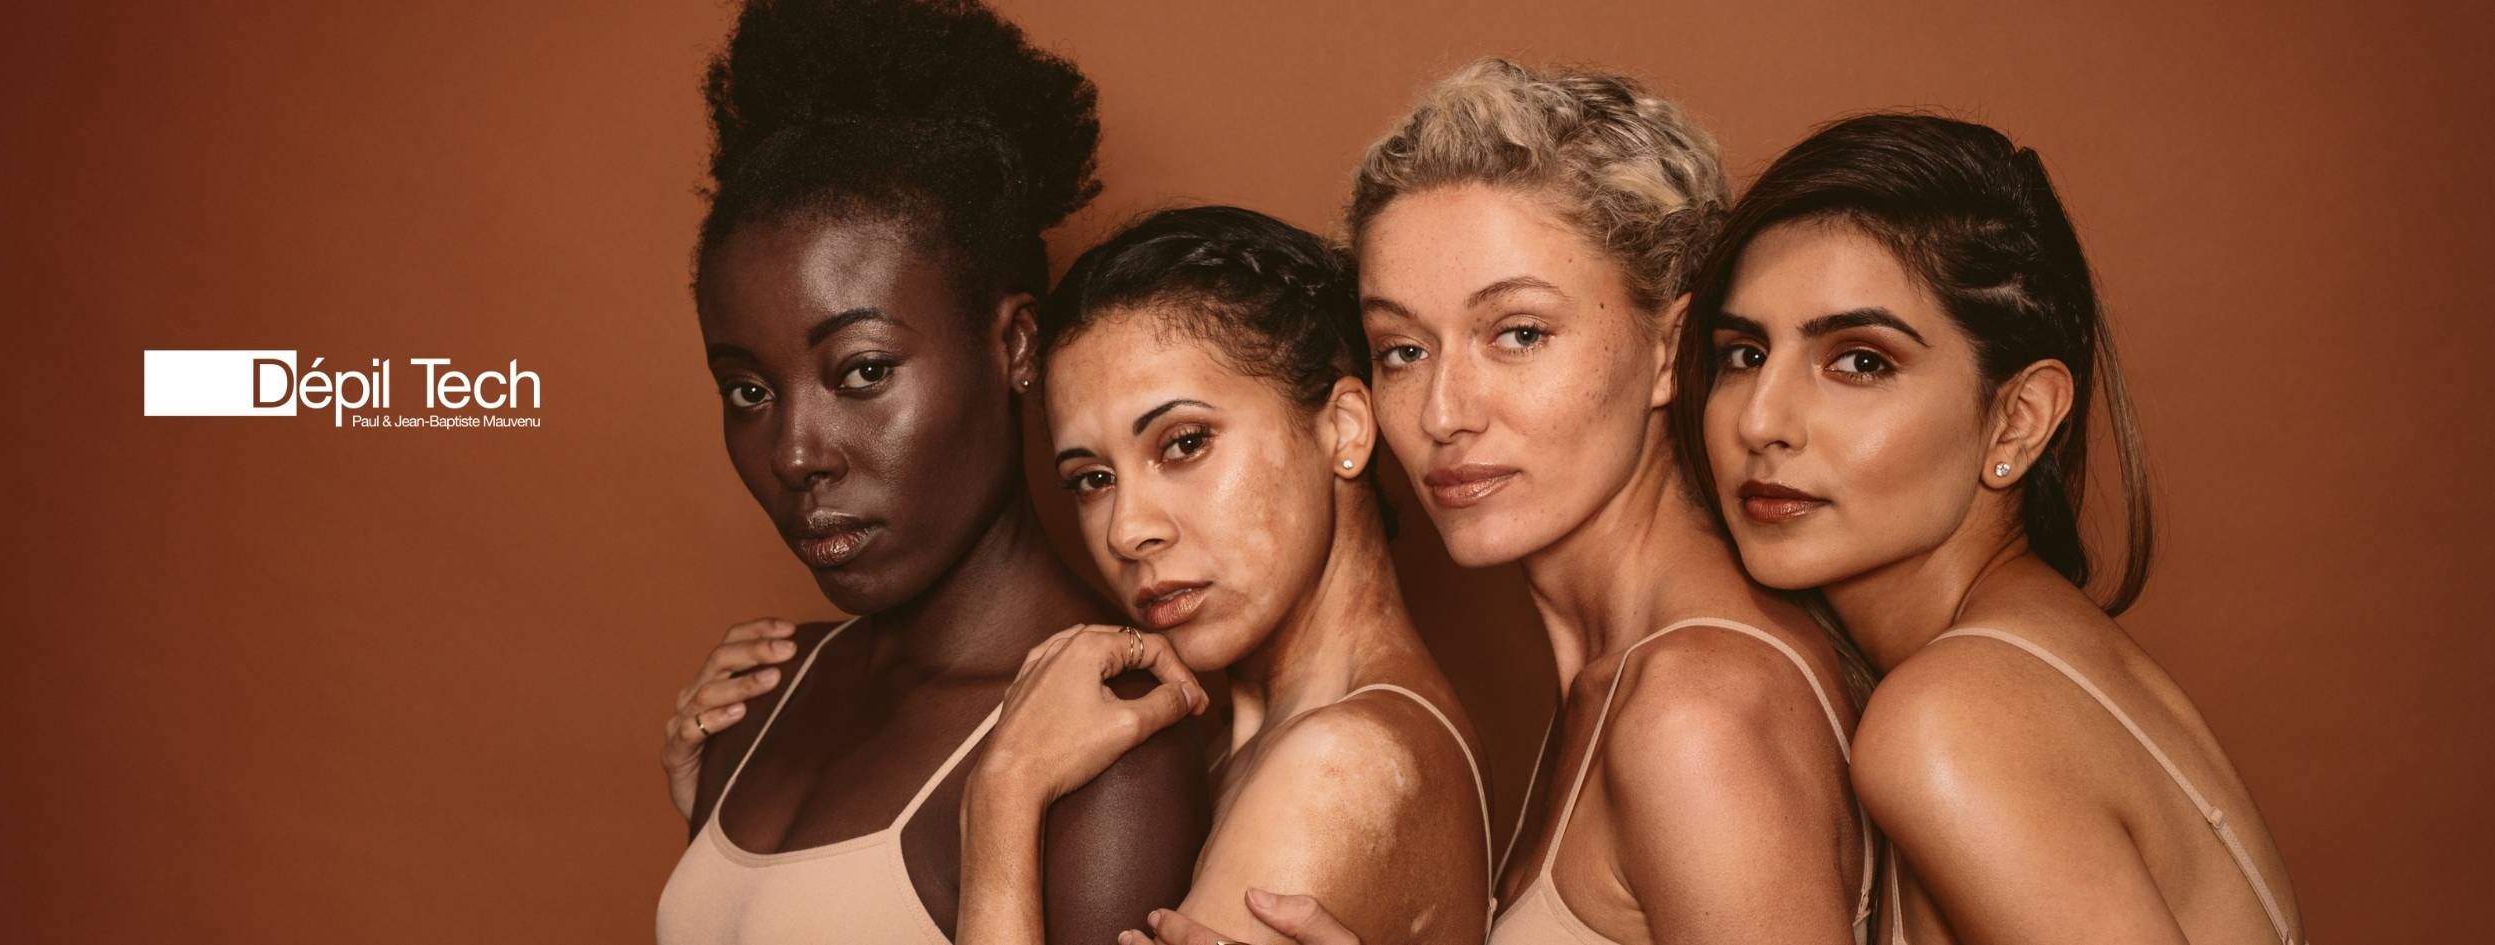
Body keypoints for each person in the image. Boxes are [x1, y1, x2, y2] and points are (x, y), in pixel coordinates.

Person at [1205, 58, 1879, 945]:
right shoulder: (1614, 676)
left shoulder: (1695, 711)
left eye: (1518, 334)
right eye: (1402, 349)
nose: (1443, 413)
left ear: (1671, 349)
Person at [1673, 113, 2305, 944]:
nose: (1760, 421)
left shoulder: (1953, 720)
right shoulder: (2035, 662)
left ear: (2017, 419)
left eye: (1860, 361)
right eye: (1744, 354)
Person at [652, 2, 1207, 942]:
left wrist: (1005, 792)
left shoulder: (1108, 737)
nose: (795, 453)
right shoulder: (759, 701)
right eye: (748, 390)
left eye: (863, 371)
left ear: (1014, 343)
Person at [954, 207, 1494, 945]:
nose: (1126, 530)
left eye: (1183, 443)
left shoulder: (1338, 765)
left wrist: (1001, 796)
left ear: (1343, 427)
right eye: (1092, 478)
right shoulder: (1243, 745)